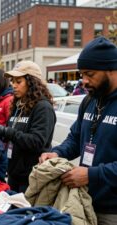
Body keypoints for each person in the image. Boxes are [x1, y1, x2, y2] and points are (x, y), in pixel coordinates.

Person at [39, 37, 117, 225]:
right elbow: (75, 138)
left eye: (90, 74)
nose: (84, 81)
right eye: (82, 74)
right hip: (84, 200)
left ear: (112, 70)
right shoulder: (90, 100)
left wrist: (91, 175)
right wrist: (57, 153)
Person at [0, 61, 56, 192]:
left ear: (32, 82)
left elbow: (37, 141)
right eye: (12, 81)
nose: (14, 85)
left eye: (19, 82)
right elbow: (13, 135)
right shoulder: (17, 104)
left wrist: (6, 132)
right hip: (13, 172)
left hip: (31, 176)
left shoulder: (43, 107)